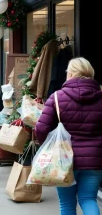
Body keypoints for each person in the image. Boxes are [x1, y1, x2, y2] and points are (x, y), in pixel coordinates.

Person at [35, 57, 102, 215]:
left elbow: (40, 128)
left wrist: (47, 146)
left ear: (70, 74)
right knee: (88, 199)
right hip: (95, 158)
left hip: (63, 159)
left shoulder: (57, 98)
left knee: (66, 204)